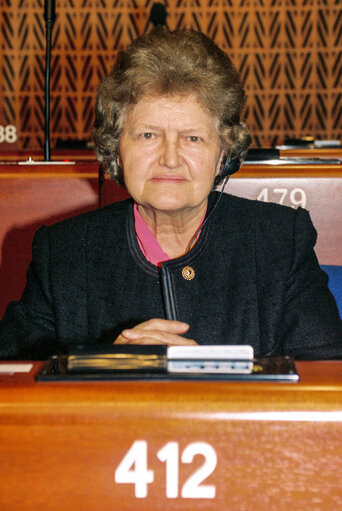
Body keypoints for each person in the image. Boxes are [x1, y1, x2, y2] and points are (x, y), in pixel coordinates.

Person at [0, 28, 341, 360]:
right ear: (116, 149)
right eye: (148, 135)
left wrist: (216, 380)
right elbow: (15, 384)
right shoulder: (64, 254)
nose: (170, 158)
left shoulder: (279, 241)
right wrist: (106, 365)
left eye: (193, 138)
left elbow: (327, 389)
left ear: (222, 152)